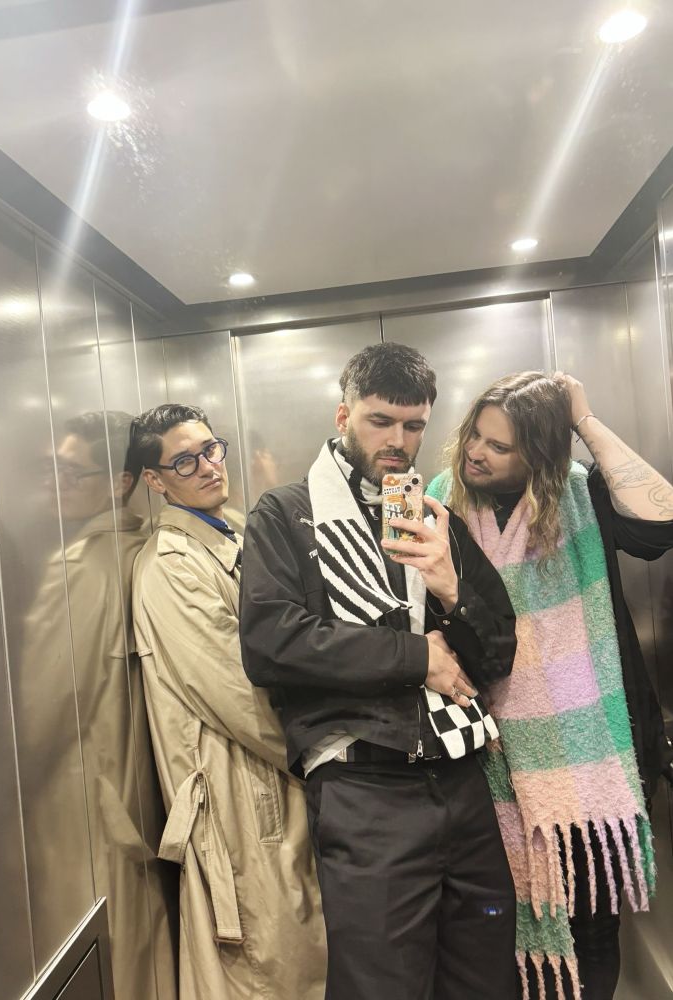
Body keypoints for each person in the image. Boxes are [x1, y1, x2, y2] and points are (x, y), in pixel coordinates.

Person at [239, 342, 519, 1000]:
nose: (398, 441)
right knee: (380, 986)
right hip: (364, 789)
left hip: (462, 781)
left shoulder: (434, 519)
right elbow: (271, 642)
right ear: (344, 416)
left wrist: (451, 589)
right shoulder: (286, 514)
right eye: (380, 421)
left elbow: (498, 650)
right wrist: (417, 657)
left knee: (485, 978)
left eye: (414, 425)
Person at [426, 371, 673, 1000]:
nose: (476, 453)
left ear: (539, 456)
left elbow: (660, 523)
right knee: (498, 931)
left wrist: (583, 419)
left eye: (499, 446)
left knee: (593, 929)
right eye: (475, 435)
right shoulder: (440, 499)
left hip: (590, 756)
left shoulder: (581, 494)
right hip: (485, 754)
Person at [128, 403, 326, 1000]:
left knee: (301, 955)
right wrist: (323, 754)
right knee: (269, 967)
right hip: (240, 791)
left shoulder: (232, 532)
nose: (209, 467)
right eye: (184, 462)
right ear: (154, 480)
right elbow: (236, 694)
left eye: (211, 449)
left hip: (275, 780)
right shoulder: (170, 567)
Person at [18, 411, 175, 999]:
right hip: (138, 785)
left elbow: (45, 707)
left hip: (85, 795)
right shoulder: (143, 547)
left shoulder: (81, 567)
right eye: (50, 469)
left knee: (107, 952)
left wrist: (5, 786)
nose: (53, 483)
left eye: (70, 472)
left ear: (120, 482)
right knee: (140, 943)